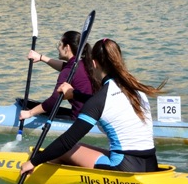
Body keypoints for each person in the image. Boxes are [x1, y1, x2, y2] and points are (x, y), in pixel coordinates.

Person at [20, 38, 164, 175]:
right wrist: (75, 94)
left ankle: (40, 174)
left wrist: (34, 161)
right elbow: (104, 105)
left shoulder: (100, 99)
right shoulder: (135, 89)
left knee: (65, 149)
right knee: (83, 148)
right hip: (151, 164)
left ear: (94, 64)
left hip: (125, 167)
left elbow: (67, 141)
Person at [19, 30, 93, 121]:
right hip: (94, 114)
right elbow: (65, 66)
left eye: (60, 44)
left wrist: (30, 113)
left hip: (80, 119)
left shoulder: (68, 71)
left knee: (32, 109)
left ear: (67, 47)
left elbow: (54, 101)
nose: (58, 48)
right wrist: (41, 57)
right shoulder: (85, 63)